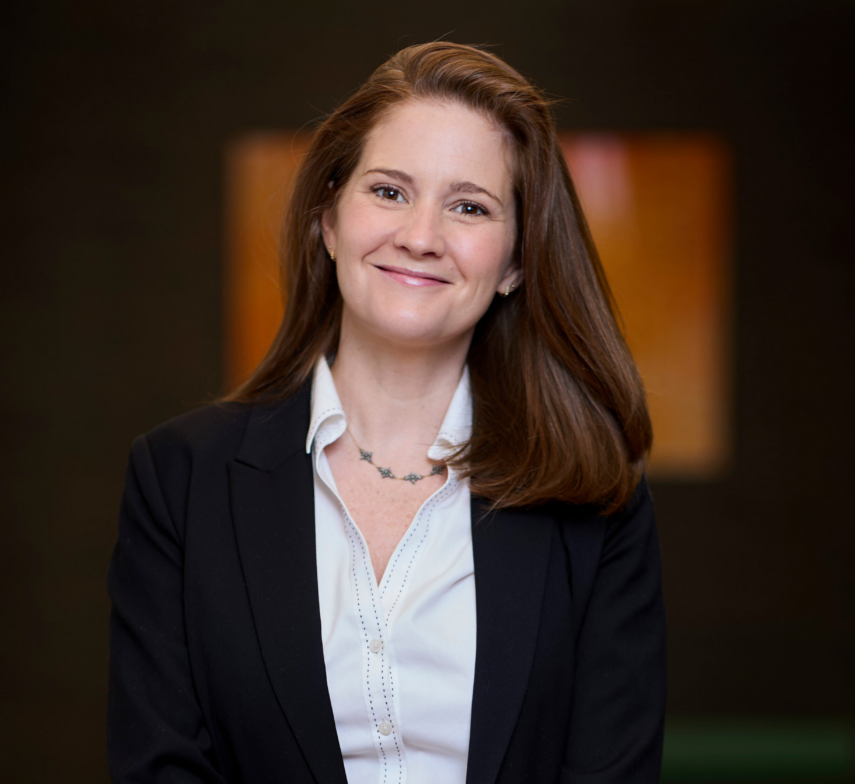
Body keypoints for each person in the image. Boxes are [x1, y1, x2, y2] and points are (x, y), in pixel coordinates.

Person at [107, 42, 666, 784]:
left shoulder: (596, 501)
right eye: (389, 191)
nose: (422, 236)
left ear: (516, 262)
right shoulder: (180, 480)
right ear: (328, 219)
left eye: (469, 206)